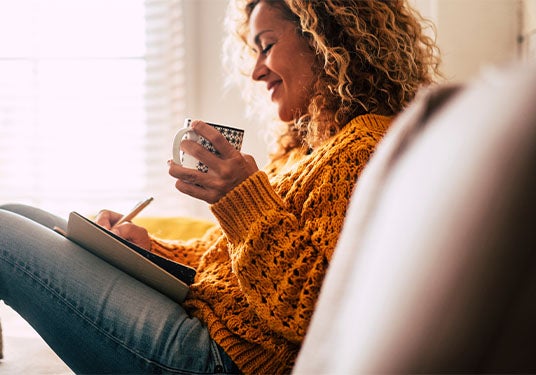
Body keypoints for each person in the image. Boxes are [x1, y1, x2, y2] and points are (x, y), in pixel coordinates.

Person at [0, 0, 440, 373]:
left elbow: (318, 313)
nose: (255, 71)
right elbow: (226, 263)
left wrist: (241, 200)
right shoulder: (306, 150)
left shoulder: (363, 149)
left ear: (327, 39)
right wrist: (152, 251)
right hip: (209, 321)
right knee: (20, 213)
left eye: (267, 46)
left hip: (221, 358)